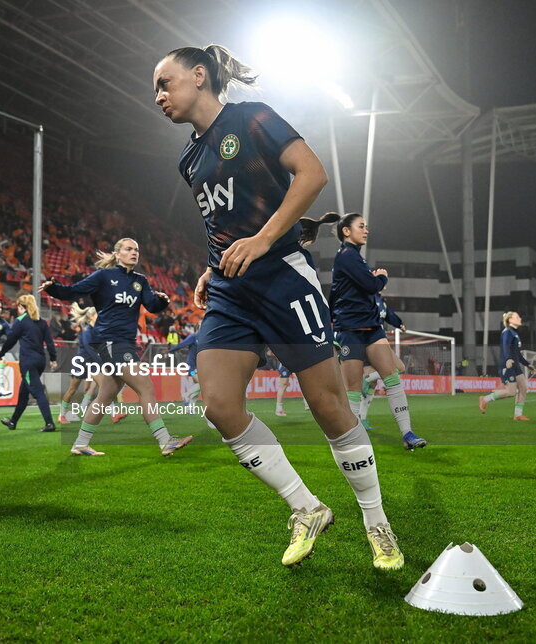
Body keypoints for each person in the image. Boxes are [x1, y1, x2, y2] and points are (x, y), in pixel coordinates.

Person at [153, 45, 403, 569]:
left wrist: (264, 240)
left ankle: (377, 523)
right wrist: (209, 266)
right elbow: (219, 224)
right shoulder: (188, 158)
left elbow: (311, 175)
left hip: (284, 278)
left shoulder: (251, 120)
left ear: (199, 77)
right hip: (229, 291)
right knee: (219, 405)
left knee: (329, 406)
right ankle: (306, 507)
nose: (159, 95)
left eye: (165, 82)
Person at [41, 238, 192, 457]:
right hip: (111, 342)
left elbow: (151, 306)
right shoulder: (104, 276)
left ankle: (80, 443)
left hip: (125, 343)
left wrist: (163, 301)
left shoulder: (141, 281)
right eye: (129, 249)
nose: (134, 253)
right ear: (118, 254)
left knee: (106, 395)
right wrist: (53, 288)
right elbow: (74, 291)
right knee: (146, 388)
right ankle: (165, 440)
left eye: (136, 250)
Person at [330, 213, 427, 450]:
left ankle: (408, 434)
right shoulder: (346, 256)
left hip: (372, 329)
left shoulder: (356, 259)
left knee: (393, 377)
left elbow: (355, 292)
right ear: (346, 231)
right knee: (352, 388)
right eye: (361, 226)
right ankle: (353, 440)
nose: (366, 230)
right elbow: (371, 286)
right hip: (350, 330)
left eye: (366, 226)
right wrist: (382, 277)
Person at [0, 294, 58, 431]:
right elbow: (49, 342)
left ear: (20, 306)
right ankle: (13, 421)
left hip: (28, 362)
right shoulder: (42, 322)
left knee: (38, 392)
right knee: (23, 393)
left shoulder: (20, 321)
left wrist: (1, 353)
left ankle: (49, 424)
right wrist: (53, 358)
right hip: (40, 361)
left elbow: (11, 340)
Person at [359, 293, 407, 430]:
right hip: (371, 341)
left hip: (379, 341)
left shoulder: (381, 301)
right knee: (399, 367)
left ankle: (362, 418)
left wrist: (400, 323)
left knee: (373, 383)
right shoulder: (366, 297)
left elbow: (389, 315)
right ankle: (360, 418)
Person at [479, 311, 531, 420]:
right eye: (517, 317)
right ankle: (485, 399)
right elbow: (506, 346)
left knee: (523, 388)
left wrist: (527, 364)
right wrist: (508, 359)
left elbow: (517, 352)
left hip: (515, 366)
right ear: (510, 320)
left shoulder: (515, 333)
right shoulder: (507, 332)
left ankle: (518, 414)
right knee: (511, 392)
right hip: (507, 365)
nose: (519, 318)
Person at [58, 303, 99, 424]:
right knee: (72, 389)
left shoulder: (94, 330)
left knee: (104, 385)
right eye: (98, 315)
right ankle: (62, 415)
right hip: (81, 363)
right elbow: (88, 347)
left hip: (91, 363)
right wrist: (100, 361)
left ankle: (114, 413)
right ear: (91, 316)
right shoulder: (87, 330)